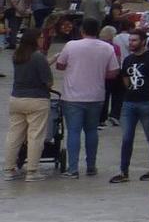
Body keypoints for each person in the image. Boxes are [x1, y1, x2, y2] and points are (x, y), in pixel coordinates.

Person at [52, 17, 119, 177]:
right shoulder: (107, 48)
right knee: (91, 131)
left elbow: (60, 65)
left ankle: (73, 169)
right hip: (96, 95)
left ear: (82, 31)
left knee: (74, 132)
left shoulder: (71, 45)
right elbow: (113, 72)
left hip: (72, 96)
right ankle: (91, 166)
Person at [111, 29, 149, 183]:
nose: (131, 43)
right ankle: (123, 170)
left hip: (148, 101)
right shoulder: (128, 60)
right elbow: (125, 77)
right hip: (130, 102)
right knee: (127, 138)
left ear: (143, 41)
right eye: (130, 41)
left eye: (134, 40)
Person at [7, 33, 54, 178]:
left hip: (16, 98)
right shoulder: (38, 57)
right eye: (40, 37)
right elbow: (48, 81)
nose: (42, 39)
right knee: (35, 136)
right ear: (34, 40)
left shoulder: (17, 56)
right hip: (37, 100)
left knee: (14, 135)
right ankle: (32, 170)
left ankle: (9, 169)